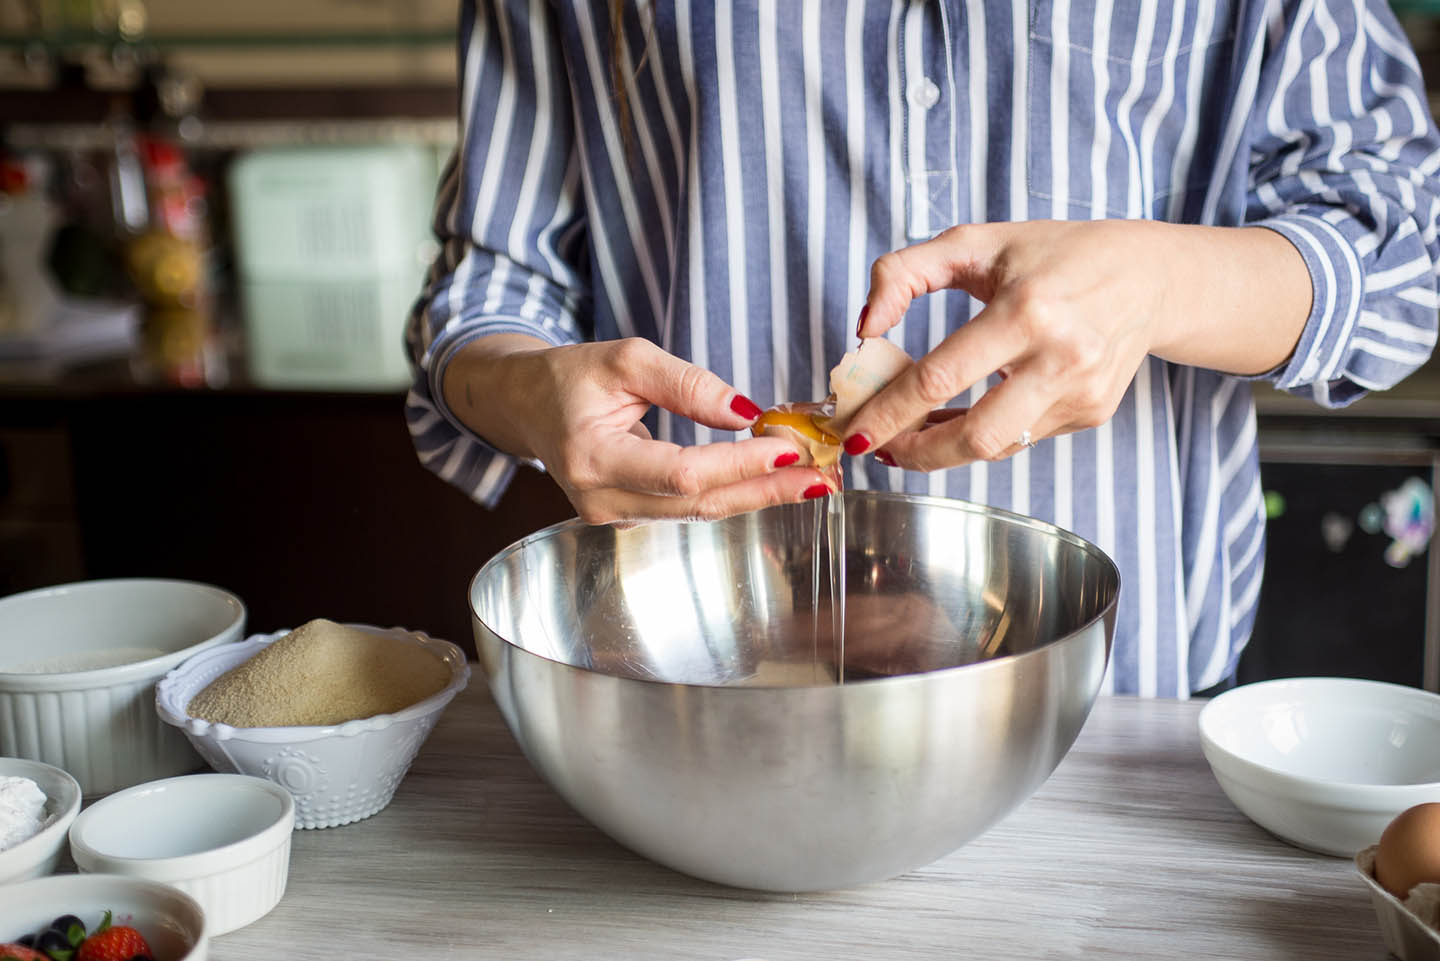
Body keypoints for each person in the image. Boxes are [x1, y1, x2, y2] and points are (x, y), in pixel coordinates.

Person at [405, 0, 1440, 698]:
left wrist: (1160, 283)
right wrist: (523, 388)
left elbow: (1404, 247)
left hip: (1124, 715)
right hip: (695, 700)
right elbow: (490, 280)